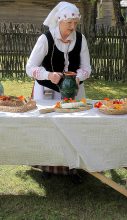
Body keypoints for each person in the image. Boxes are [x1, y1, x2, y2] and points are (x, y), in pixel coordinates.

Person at [26, 1, 91, 183]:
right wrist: (48, 74)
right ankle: (46, 165)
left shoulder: (80, 39)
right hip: (47, 89)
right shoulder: (45, 39)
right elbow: (30, 68)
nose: (73, 27)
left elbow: (87, 68)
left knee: (73, 128)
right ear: (59, 21)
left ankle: (72, 168)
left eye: (75, 23)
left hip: (74, 91)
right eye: (69, 23)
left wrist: (77, 78)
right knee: (48, 128)